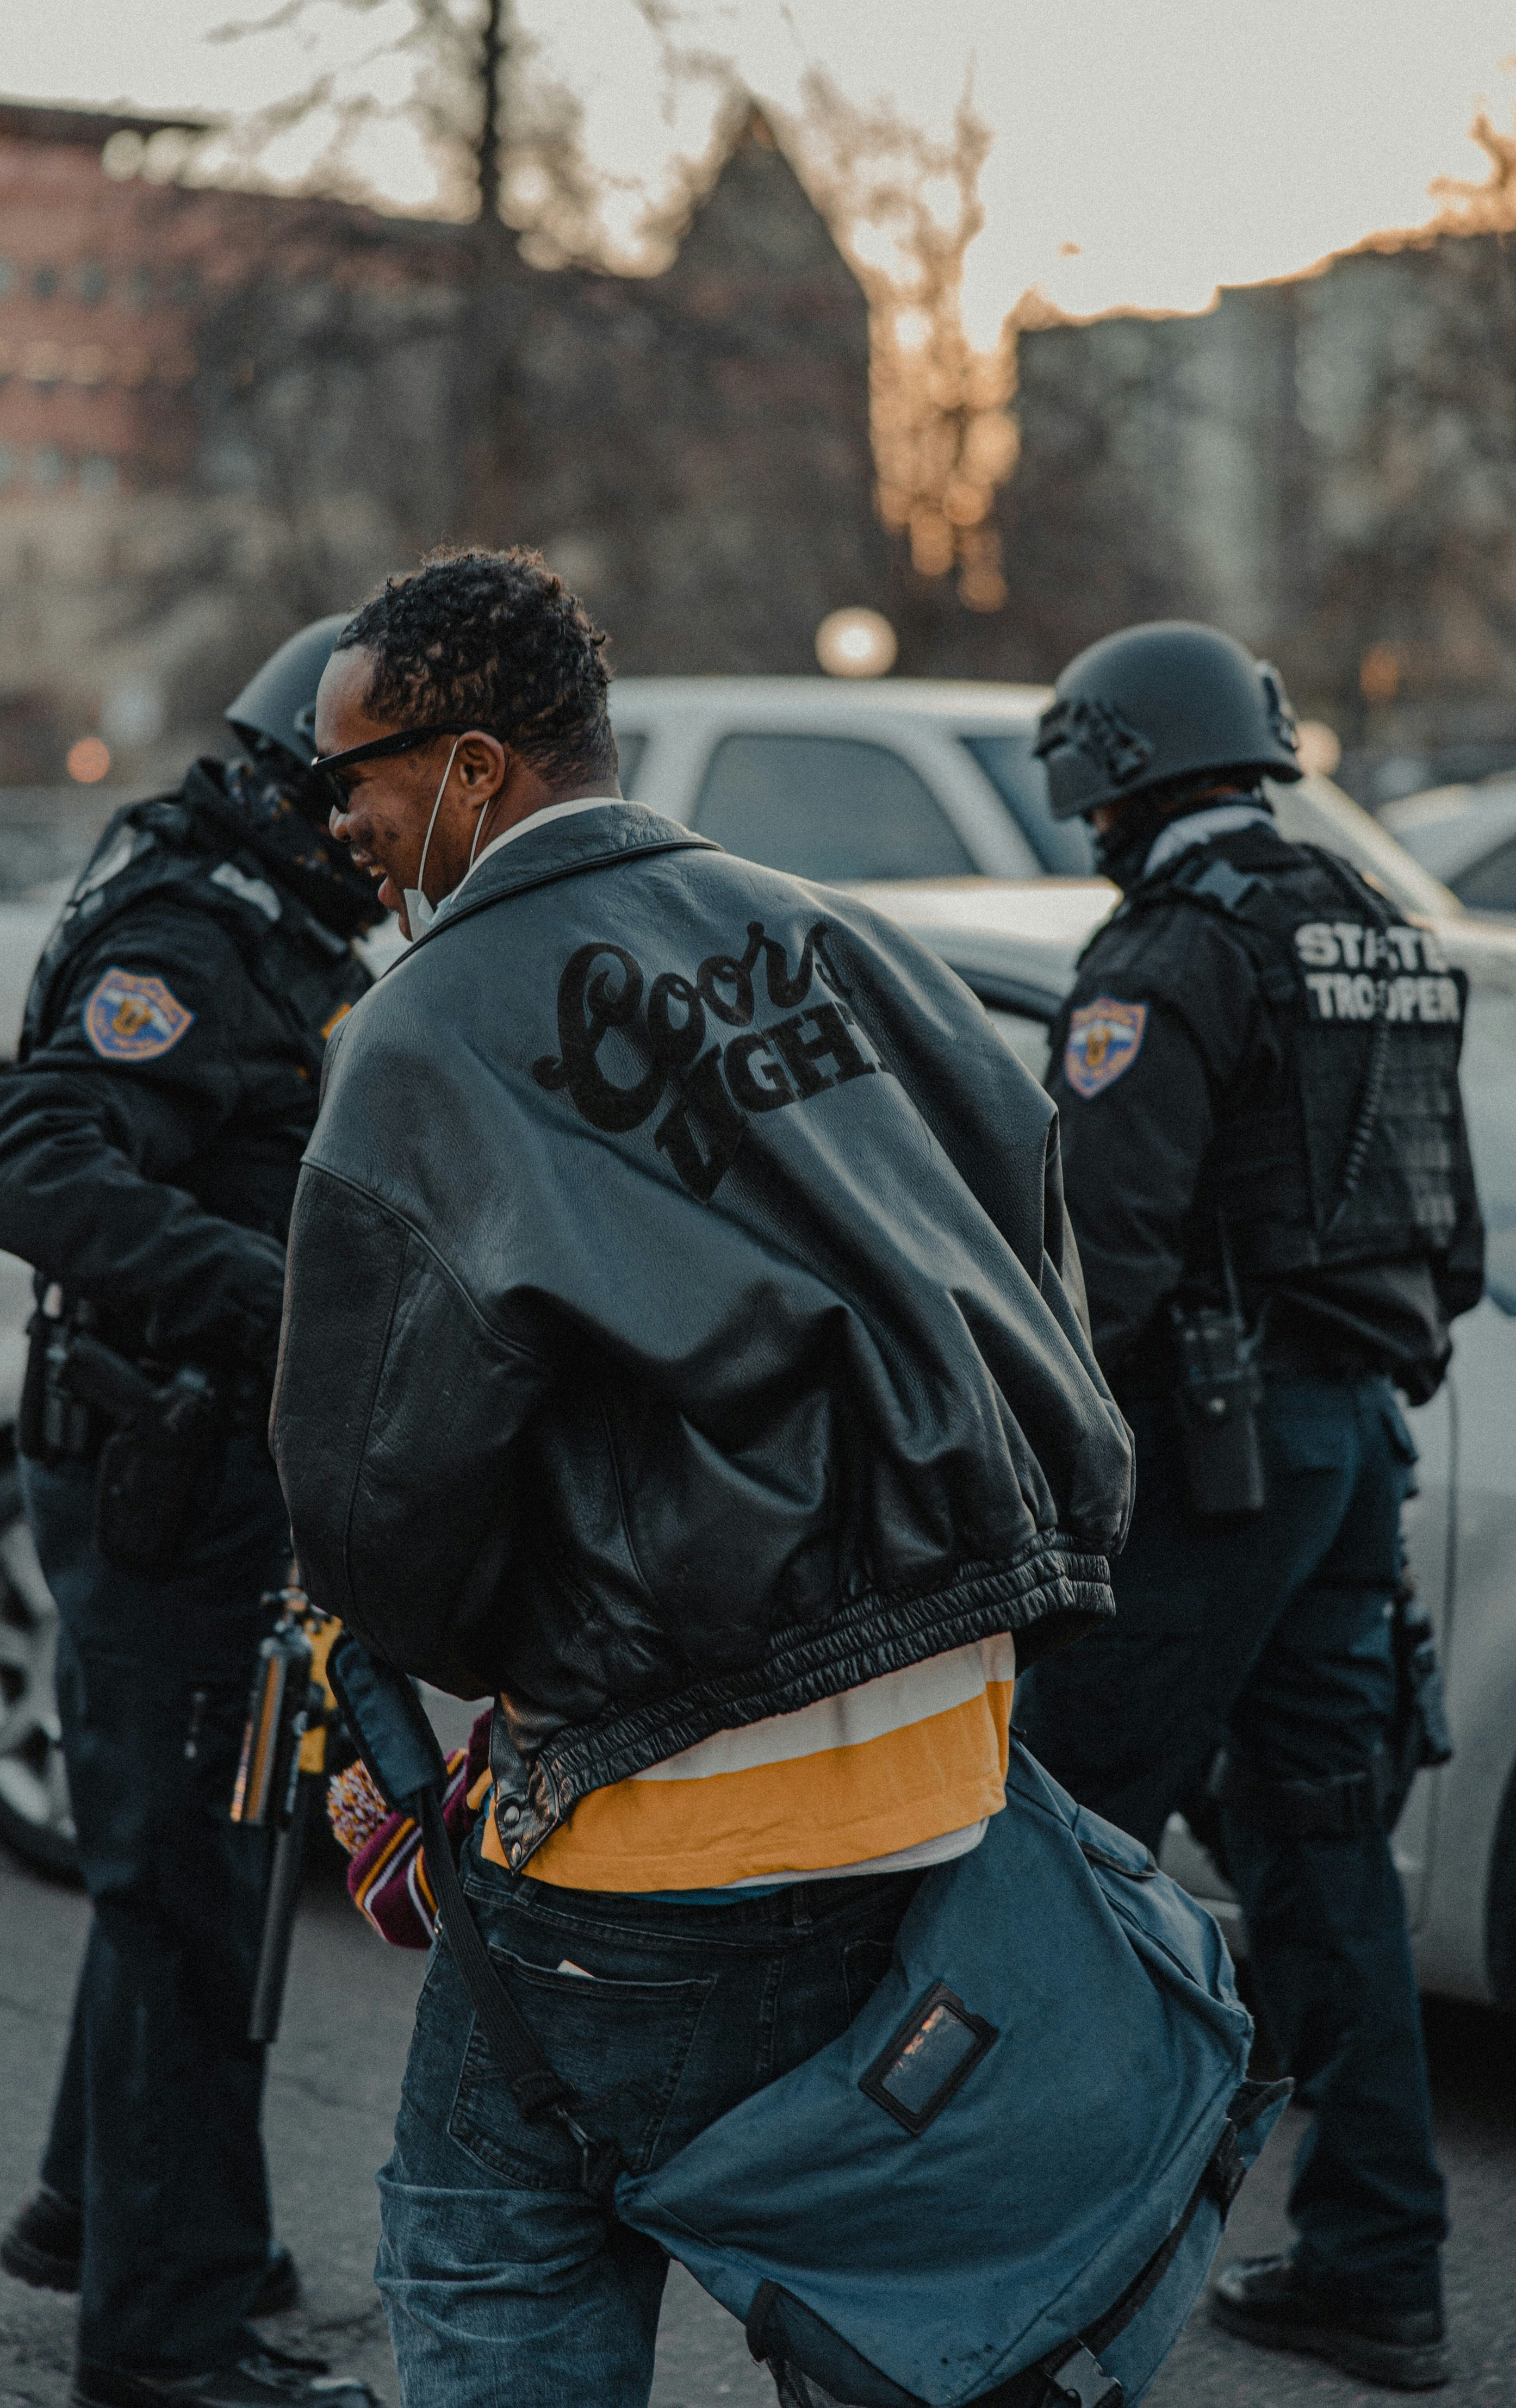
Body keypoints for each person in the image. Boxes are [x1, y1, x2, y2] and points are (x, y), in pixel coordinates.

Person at [268, 547, 1134, 2406]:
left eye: (361, 773)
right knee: (893, 2317)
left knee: (492, 2251)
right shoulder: (842, 936)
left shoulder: (428, 1030)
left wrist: (493, 1669)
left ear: (479, 770)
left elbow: (374, 1511)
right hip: (942, 1804)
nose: (336, 813)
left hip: (649, 1832)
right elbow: (1031, 1240)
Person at [1015, 621, 1483, 2394]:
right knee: (1323, 1842)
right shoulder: (1385, 933)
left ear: (1117, 776)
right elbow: (1449, 1242)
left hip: (1210, 1464)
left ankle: (1038, 2267)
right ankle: (1377, 2262)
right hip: (1356, 1446)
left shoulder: (1174, 949)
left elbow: (1103, 1266)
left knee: (1066, 1850)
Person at [0, 619, 381, 2408]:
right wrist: (281, 1293)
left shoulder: (254, 908)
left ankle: (110, 2211)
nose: (373, 840)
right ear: (302, 778)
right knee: (190, 1898)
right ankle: (167, 2339)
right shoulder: (197, 932)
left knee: (175, 1881)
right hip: (161, 1472)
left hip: (188, 1466)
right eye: (359, 796)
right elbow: (32, 1165)